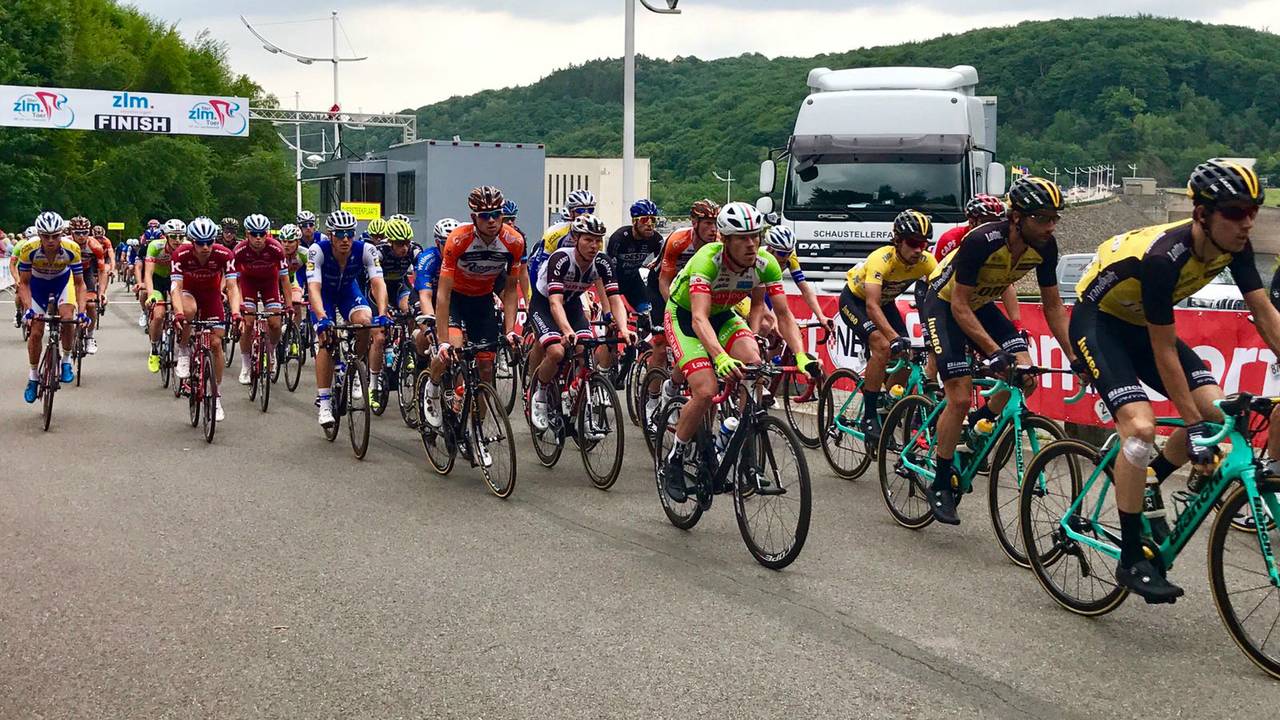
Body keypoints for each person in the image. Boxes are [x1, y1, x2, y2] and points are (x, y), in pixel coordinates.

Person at [1071, 159, 1280, 602]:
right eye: (1236, 212)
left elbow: (1264, 314)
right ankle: (1131, 558)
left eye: (1253, 211)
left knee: (1216, 411)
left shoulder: (1235, 246)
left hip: (1141, 328)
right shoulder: (1165, 257)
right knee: (1142, 429)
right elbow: (1165, 350)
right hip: (1100, 322)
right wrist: (1197, 432)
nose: (1248, 223)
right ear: (1202, 213)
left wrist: (1203, 425)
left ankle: (1149, 478)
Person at [922, 176, 1080, 526]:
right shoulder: (981, 240)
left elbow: (1053, 307)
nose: (1050, 226)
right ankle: (940, 481)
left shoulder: (1046, 247)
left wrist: (1074, 356)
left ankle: (980, 425)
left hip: (980, 306)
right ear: (1016, 217)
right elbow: (960, 306)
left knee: (1026, 376)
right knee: (960, 397)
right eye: (1041, 218)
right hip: (946, 306)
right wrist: (993, 352)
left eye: (1055, 217)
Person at [659, 202, 819, 502]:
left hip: (724, 314)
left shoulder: (765, 263)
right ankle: (675, 459)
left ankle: (743, 441)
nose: (751, 244)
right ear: (724, 239)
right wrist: (719, 356)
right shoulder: (708, 260)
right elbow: (698, 318)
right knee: (706, 390)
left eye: (756, 236)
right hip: (685, 316)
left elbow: (783, 315)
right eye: (742, 238)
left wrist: (800, 355)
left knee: (755, 365)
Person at [421, 186, 525, 435]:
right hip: (456, 298)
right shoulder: (458, 240)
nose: (492, 221)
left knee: (486, 369)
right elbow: (443, 293)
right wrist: (443, 341)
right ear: (473, 218)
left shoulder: (514, 241)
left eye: (497, 214)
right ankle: (433, 387)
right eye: (484, 216)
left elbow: (511, 290)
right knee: (452, 351)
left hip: (482, 301)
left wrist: (511, 331)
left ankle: (476, 431)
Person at [838, 209, 939, 443]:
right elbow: (872, 305)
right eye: (913, 243)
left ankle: (887, 408)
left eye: (923, 244)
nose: (918, 250)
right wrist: (893, 337)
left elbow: (940, 295)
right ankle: (870, 415)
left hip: (886, 303)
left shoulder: (926, 262)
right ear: (897, 240)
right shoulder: (881, 259)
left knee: (907, 354)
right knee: (883, 346)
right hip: (856, 301)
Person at [528, 213, 635, 431]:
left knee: (584, 350)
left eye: (598, 240)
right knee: (557, 352)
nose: (594, 245)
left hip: (573, 304)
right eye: (588, 239)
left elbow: (615, 300)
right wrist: (566, 330)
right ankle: (539, 393)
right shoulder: (561, 259)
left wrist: (623, 328)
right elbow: (555, 303)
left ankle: (578, 400)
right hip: (544, 303)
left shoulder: (603, 262)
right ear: (575, 238)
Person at [306, 209, 388, 428]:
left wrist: (382, 313)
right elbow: (313, 288)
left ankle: (353, 364)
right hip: (324, 293)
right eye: (340, 234)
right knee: (326, 340)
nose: (345, 239)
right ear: (330, 235)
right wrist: (322, 317)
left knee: (366, 320)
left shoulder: (366, 249)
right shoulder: (317, 251)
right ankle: (324, 403)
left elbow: (378, 284)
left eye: (350, 233)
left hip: (348, 292)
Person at [171, 217, 238, 422]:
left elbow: (233, 287)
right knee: (189, 310)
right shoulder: (181, 254)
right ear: (192, 242)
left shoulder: (224, 254)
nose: (206, 247)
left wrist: (236, 313)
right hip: (188, 292)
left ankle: (215, 395)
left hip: (211, 296)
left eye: (209, 241)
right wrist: (178, 313)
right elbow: (176, 288)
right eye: (200, 243)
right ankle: (183, 349)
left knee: (216, 343)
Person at [17, 212, 88, 401]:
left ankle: (66, 360)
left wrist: (81, 313)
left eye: (55, 236)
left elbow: (80, 284)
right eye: (46, 236)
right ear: (39, 235)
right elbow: (23, 284)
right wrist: (29, 310)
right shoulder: (28, 249)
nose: (50, 240)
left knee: (67, 319)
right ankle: (33, 376)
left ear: (62, 234)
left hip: (62, 284)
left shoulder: (72, 248)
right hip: (38, 287)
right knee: (36, 332)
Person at [232, 214, 292, 385]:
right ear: (247, 234)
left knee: (275, 323)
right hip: (247, 283)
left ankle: (271, 351)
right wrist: (239, 305)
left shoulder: (276, 248)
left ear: (267, 234)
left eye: (262, 234)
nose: (258, 238)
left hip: (269, 283)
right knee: (248, 323)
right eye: (254, 234)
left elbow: (285, 279)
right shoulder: (240, 250)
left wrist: (288, 305)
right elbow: (234, 281)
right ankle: (245, 365)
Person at [367, 217, 420, 408]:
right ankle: (373, 386)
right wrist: (384, 309)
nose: (404, 248)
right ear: (389, 242)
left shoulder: (414, 249)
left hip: (398, 286)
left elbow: (421, 278)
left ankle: (409, 346)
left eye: (406, 243)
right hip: (377, 289)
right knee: (380, 338)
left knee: (411, 310)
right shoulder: (379, 252)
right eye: (399, 244)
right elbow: (376, 284)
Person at [745, 224, 831, 336]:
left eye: (789, 252)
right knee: (766, 325)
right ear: (770, 249)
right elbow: (758, 299)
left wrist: (821, 316)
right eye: (781, 253)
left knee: (780, 332)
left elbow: (805, 289)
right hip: (746, 293)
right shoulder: (760, 258)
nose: (786, 257)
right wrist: (773, 318)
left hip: (765, 293)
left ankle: (772, 353)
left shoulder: (790, 258)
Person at [144, 220, 186, 373]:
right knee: (159, 314)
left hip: (177, 280)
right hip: (158, 280)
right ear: (166, 237)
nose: (177, 240)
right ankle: (154, 349)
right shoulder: (155, 246)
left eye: (181, 237)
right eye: (174, 236)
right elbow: (148, 274)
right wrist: (150, 295)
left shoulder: (186, 247)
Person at [412, 218, 457, 358]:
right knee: (430, 333)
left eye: (454, 244)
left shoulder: (462, 257)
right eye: (446, 243)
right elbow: (425, 296)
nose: (451, 248)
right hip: (426, 294)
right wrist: (430, 321)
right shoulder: (428, 258)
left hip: (448, 295)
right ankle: (420, 363)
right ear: (438, 243)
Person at [68, 216, 109, 354]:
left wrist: (102, 292)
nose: (81, 236)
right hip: (67, 273)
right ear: (71, 233)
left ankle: (90, 337)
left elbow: (102, 271)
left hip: (86, 272)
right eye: (78, 233)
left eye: (85, 232)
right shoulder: (64, 244)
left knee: (91, 304)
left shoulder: (95, 246)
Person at [277, 224, 308, 325]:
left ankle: (295, 333)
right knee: (273, 310)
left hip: (292, 281)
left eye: (290, 242)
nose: (286, 245)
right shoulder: (276, 252)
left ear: (298, 242)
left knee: (296, 304)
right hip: (275, 282)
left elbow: (315, 272)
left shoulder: (304, 253)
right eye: (284, 241)